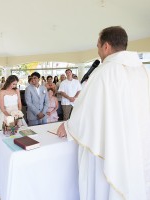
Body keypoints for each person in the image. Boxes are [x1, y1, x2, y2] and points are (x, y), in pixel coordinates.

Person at [57, 26, 150, 199]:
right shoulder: (143, 71)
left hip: (113, 144)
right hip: (137, 142)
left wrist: (68, 126)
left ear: (106, 46)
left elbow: (86, 111)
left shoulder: (104, 71)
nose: (98, 51)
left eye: (98, 46)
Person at [0, 75, 27, 143]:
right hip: (6, 114)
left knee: (18, 132)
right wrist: (10, 117)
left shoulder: (17, 90)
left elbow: (19, 103)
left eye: (16, 84)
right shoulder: (2, 92)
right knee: (7, 133)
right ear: (9, 82)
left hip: (16, 113)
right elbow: (2, 107)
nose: (15, 86)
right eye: (13, 84)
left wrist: (18, 113)